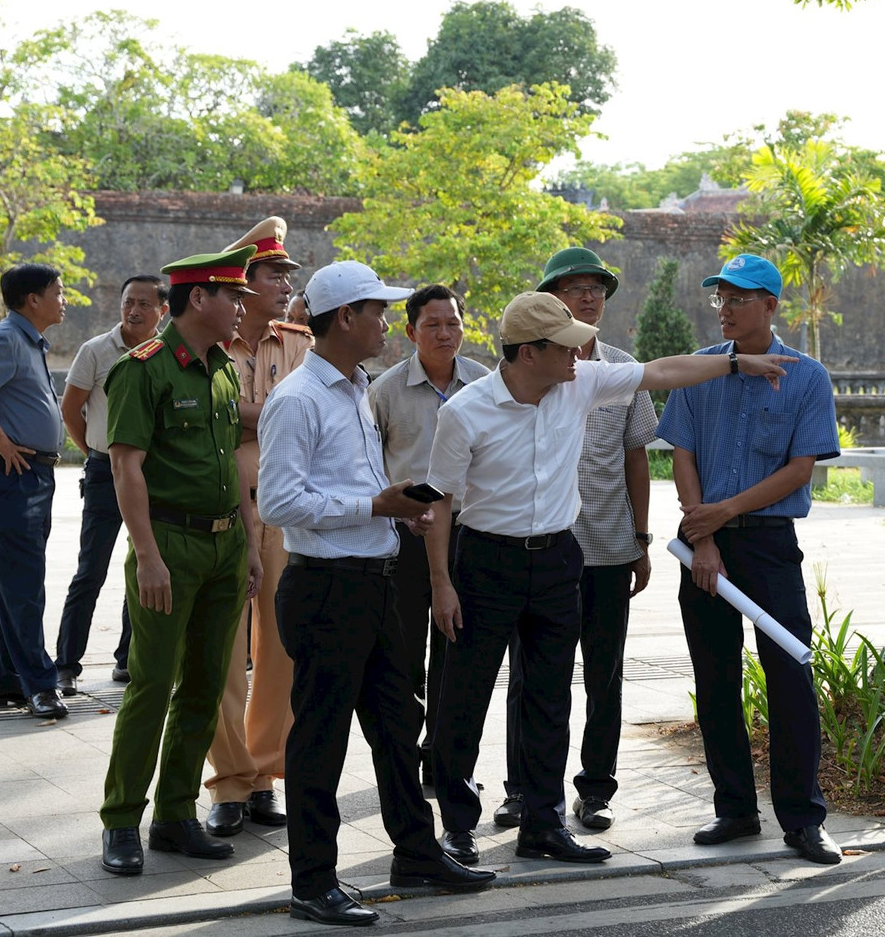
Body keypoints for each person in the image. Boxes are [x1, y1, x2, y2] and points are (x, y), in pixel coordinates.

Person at [423, 292, 795, 867]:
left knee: (550, 698)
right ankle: (456, 827)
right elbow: (440, 502)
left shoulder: (579, 381)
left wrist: (735, 362)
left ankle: (543, 826)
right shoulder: (465, 411)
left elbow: (661, 371)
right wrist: (442, 584)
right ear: (528, 353)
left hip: (555, 560)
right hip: (484, 563)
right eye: (566, 345)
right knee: (464, 698)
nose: (580, 352)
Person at [260, 261, 495, 926]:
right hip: (327, 588)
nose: (386, 323)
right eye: (376, 311)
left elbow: (353, 488)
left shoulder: (353, 389)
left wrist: (395, 509)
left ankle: (416, 852)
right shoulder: (299, 398)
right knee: (322, 737)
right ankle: (312, 880)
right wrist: (373, 502)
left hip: (375, 581)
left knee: (398, 724)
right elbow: (278, 499)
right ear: (343, 319)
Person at [657, 253, 844, 866]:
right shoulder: (701, 368)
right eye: (721, 298)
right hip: (702, 541)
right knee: (715, 679)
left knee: (790, 675)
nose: (726, 308)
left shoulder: (807, 377)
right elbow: (682, 453)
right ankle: (734, 809)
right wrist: (703, 536)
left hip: (767, 543)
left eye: (740, 298)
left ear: (771, 305)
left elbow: (799, 468)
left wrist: (726, 511)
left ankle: (803, 817)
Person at [97, 246, 260, 877]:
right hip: (169, 545)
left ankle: (174, 815)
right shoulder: (143, 369)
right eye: (234, 296)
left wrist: (246, 542)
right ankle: (120, 820)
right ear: (201, 299)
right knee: (151, 684)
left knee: (202, 686)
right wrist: (147, 555)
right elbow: (124, 464)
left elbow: (231, 466)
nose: (242, 306)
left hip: (223, 545)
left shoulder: (221, 369)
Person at [494, 248, 657, 833]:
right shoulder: (531, 370)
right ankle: (523, 789)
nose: (588, 297)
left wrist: (641, 537)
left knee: (604, 673)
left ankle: (596, 787)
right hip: (539, 546)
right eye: (575, 287)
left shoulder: (622, 369)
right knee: (533, 674)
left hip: (609, 544)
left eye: (597, 289)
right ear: (549, 298)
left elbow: (635, 457)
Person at [205, 218, 314, 838]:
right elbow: (210, 420)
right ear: (241, 282)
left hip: (280, 511)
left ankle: (267, 774)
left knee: (280, 650)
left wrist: (249, 417)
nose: (285, 284)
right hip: (221, 510)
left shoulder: (297, 344)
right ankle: (229, 781)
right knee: (220, 651)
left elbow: (306, 418)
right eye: (274, 274)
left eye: (287, 275)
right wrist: (262, 414)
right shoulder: (204, 343)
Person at [367, 283, 489, 786]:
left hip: (471, 535)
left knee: (459, 653)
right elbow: (368, 466)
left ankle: (444, 760)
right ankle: (403, 758)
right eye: (433, 324)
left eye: (453, 323)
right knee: (403, 654)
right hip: (406, 540)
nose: (445, 333)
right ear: (411, 330)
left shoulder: (485, 384)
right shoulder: (386, 391)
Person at [0, 263, 71, 721]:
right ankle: (39, 684)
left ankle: (2, 678)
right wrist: (0, 438)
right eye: (57, 292)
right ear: (32, 299)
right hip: (14, 472)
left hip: (33, 474)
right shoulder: (7, 338)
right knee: (24, 582)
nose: (64, 300)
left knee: (14, 578)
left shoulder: (28, 340)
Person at [56, 274, 168, 694]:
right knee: (91, 569)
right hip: (106, 470)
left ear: (163, 309)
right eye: (127, 302)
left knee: (145, 564)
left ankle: (127, 659)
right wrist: (94, 452)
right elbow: (71, 409)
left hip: (154, 472)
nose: (134, 311)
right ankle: (66, 664)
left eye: (143, 303)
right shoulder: (97, 351)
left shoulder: (167, 353)